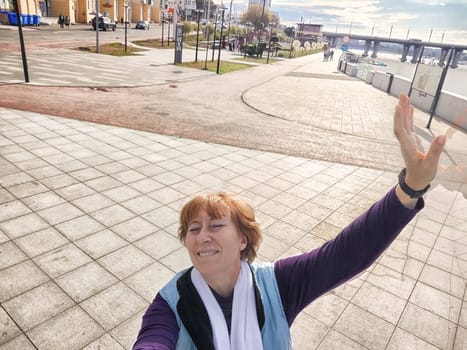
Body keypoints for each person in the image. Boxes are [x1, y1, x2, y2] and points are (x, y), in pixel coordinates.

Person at [133, 94, 446, 350]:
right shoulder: (169, 301)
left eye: (216, 226)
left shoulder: (278, 285)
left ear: (243, 239)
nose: (202, 237)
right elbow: (152, 341)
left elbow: (346, 253)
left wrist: (409, 189)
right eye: (193, 229)